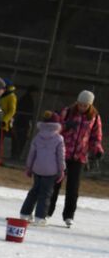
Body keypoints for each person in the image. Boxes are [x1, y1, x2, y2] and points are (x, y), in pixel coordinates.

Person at [47, 90, 104, 227]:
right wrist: (66, 126)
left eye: (85, 105)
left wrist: (97, 150)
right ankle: (47, 211)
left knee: (73, 188)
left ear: (90, 105)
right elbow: (55, 128)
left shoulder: (94, 117)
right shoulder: (67, 112)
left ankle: (69, 215)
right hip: (62, 154)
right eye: (80, 104)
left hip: (79, 157)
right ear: (77, 102)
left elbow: (96, 137)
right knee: (54, 184)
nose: (82, 107)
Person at [19, 111, 65, 225]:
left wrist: (29, 168)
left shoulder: (37, 137)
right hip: (51, 171)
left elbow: (31, 154)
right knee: (45, 194)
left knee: (34, 191)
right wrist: (61, 170)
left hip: (37, 169)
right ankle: (40, 217)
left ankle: (24, 214)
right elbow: (60, 157)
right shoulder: (59, 139)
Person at [0, 77, 17, 160]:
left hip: (3, 124)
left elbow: (12, 111)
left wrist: (5, 120)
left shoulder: (11, 96)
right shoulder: (0, 94)